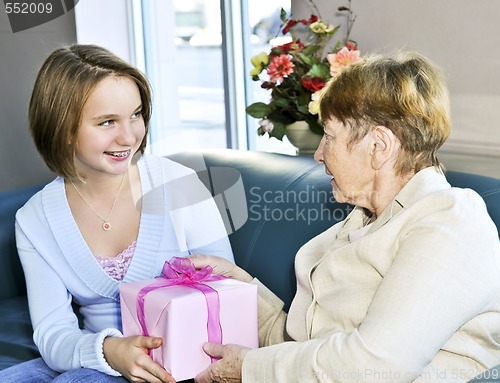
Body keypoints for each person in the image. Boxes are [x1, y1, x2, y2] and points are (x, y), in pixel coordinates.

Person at [189, 51, 500, 382]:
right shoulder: (363, 220)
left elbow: (377, 365)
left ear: (379, 146)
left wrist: (249, 368)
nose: (319, 154)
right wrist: (237, 285)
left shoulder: (450, 222)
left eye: (330, 136)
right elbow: (304, 350)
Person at [0, 44, 234, 383]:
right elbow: (53, 334)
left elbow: (228, 291)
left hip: (186, 360)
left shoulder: (179, 185)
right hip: (99, 358)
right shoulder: (35, 220)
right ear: (63, 129)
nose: (129, 137)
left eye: (136, 115)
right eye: (107, 121)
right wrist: (110, 350)